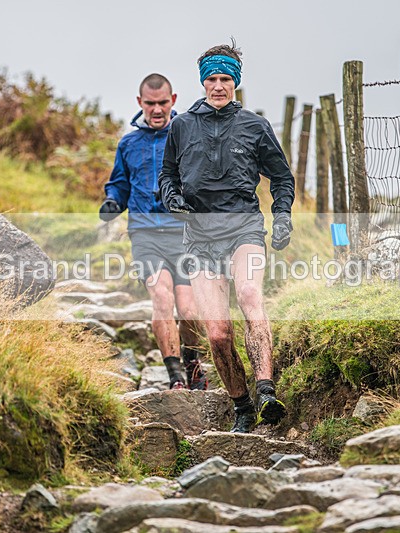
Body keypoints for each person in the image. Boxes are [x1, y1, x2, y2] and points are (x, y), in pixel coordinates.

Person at [158, 42, 295, 432]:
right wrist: (172, 198)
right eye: (212, 79)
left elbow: (282, 177)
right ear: (203, 82)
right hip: (200, 238)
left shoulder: (254, 126)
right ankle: (242, 406)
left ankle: (266, 390)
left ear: (236, 82)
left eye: (225, 79)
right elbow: (167, 174)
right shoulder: (182, 126)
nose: (218, 86)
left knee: (250, 296)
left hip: (244, 229)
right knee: (217, 333)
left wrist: (282, 217)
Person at [100, 73, 207, 390]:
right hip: (145, 233)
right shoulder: (129, 144)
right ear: (140, 102)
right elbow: (120, 184)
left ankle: (193, 363)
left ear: (173, 100)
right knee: (161, 297)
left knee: (188, 309)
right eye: (150, 103)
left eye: (162, 102)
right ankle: (175, 378)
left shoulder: (188, 136)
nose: (157, 109)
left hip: (185, 234)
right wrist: (112, 201)